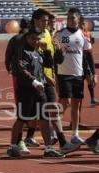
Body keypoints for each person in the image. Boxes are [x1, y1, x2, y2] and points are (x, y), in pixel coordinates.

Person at [27, 9, 80, 155]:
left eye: (47, 21)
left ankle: (60, 143)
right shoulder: (33, 37)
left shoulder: (49, 34)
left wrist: (58, 54)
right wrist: (45, 75)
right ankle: (21, 141)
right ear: (36, 20)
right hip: (38, 80)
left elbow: (50, 58)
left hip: (48, 79)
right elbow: (33, 61)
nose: (47, 23)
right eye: (44, 20)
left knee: (50, 111)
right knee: (35, 114)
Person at [7, 26, 64, 159]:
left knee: (45, 119)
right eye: (33, 38)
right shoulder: (23, 51)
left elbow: (48, 65)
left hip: (40, 90)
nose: (35, 41)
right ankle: (12, 147)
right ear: (27, 38)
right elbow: (22, 69)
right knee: (22, 119)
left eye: (38, 39)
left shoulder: (38, 51)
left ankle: (48, 148)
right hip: (26, 90)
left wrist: (47, 51)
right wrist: (34, 81)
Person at [53, 8, 95, 145]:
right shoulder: (59, 34)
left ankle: (75, 134)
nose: (70, 20)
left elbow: (88, 56)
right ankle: (55, 132)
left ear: (78, 19)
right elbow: (54, 56)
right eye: (68, 18)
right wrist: (55, 74)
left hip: (78, 74)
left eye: (72, 18)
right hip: (63, 74)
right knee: (64, 103)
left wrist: (91, 74)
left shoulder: (83, 35)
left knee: (76, 105)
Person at [5, 17, 34, 153]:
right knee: (28, 111)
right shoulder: (23, 39)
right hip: (30, 78)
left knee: (25, 110)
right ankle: (21, 140)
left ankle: (24, 139)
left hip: (20, 78)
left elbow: (7, 57)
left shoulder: (15, 39)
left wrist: (10, 69)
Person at [79, 16, 98, 105]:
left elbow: (92, 41)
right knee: (79, 80)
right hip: (79, 59)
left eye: (84, 24)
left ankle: (93, 98)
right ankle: (77, 98)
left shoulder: (88, 33)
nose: (83, 25)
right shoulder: (78, 33)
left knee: (89, 79)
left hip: (86, 59)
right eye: (82, 24)